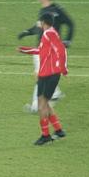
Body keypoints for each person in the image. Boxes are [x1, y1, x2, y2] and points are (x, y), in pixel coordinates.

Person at [18, 0, 75, 113]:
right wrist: (26, 32)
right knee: (41, 74)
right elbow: (38, 27)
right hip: (41, 48)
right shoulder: (43, 11)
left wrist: (67, 40)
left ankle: (35, 106)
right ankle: (55, 93)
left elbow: (70, 23)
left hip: (47, 51)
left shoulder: (57, 10)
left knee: (39, 75)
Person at [18, 14, 68, 145]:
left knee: (41, 105)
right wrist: (25, 50)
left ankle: (45, 136)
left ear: (43, 22)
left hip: (49, 74)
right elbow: (40, 50)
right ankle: (58, 130)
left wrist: (63, 67)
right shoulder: (50, 33)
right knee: (44, 103)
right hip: (47, 74)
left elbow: (61, 50)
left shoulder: (49, 34)